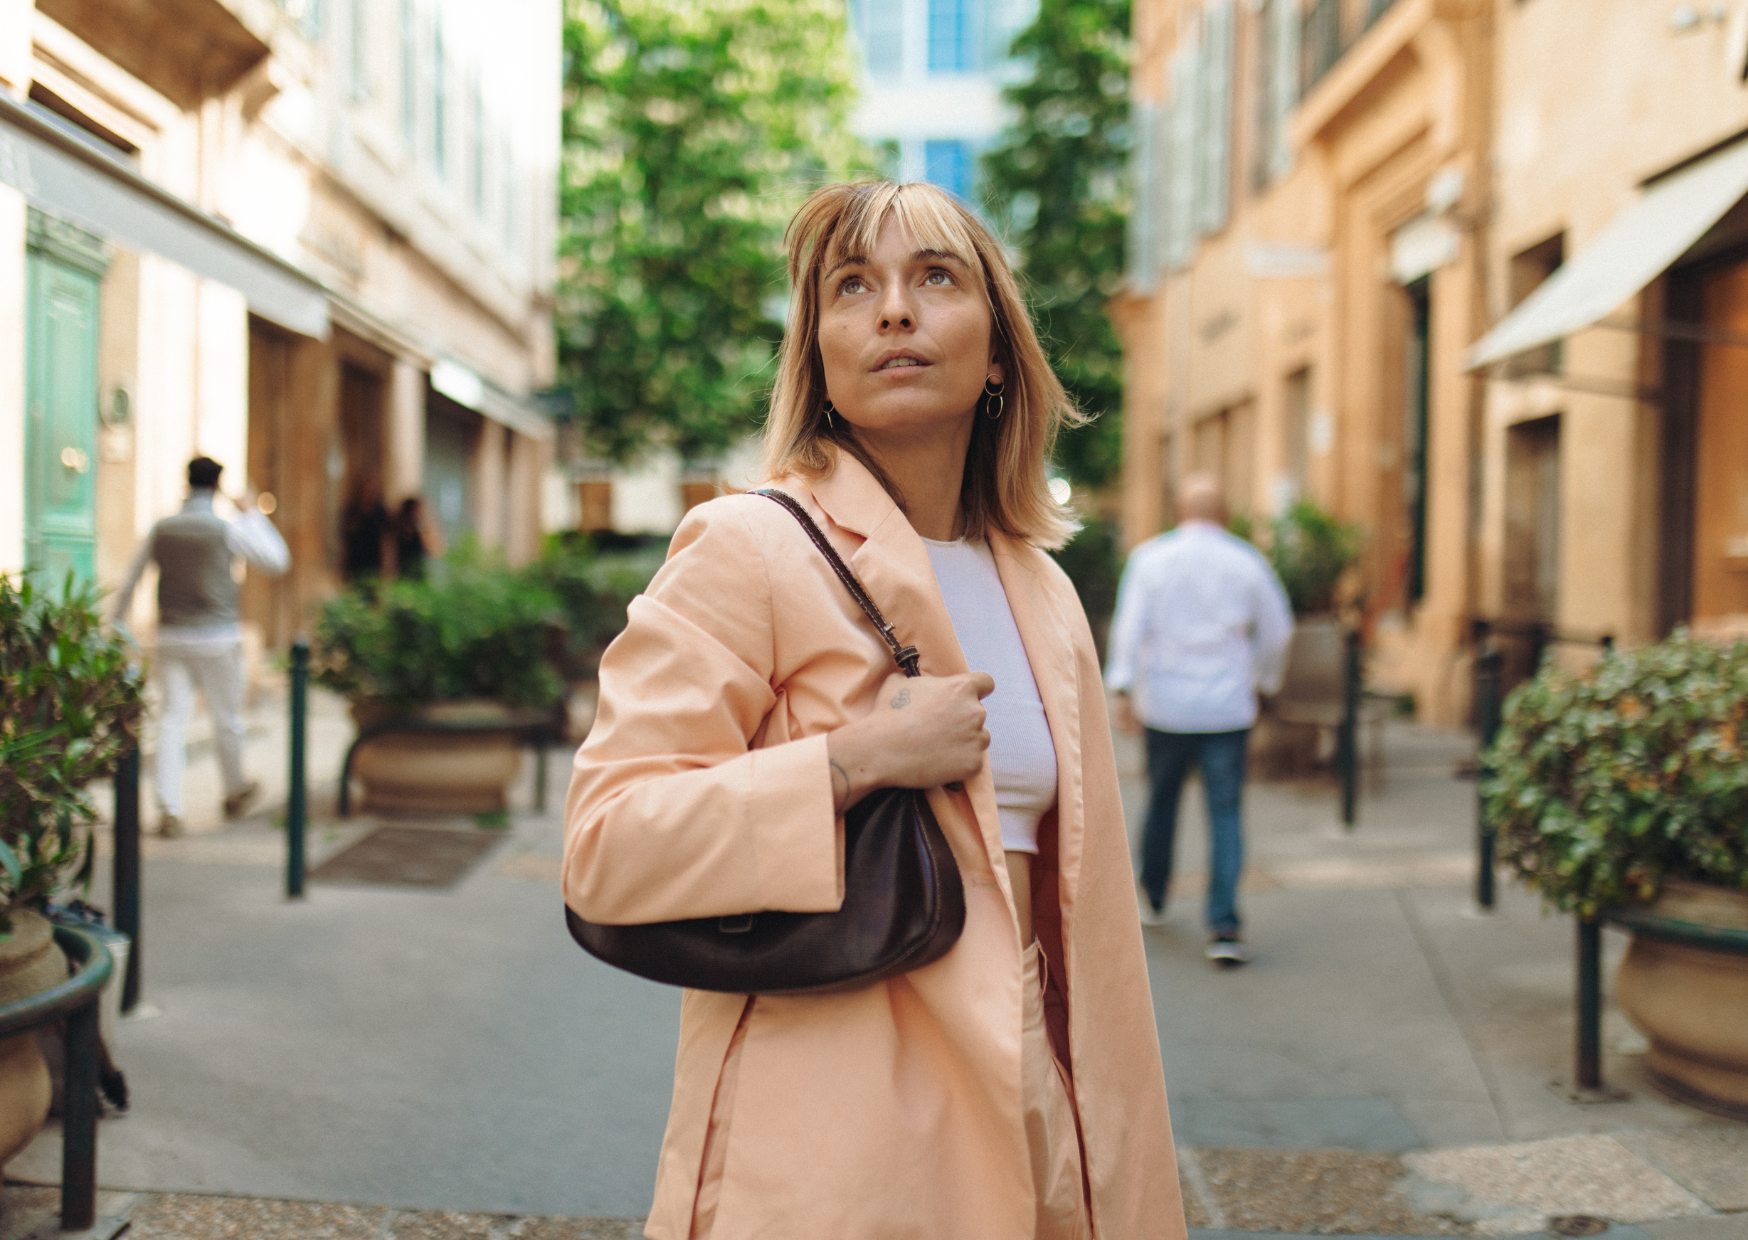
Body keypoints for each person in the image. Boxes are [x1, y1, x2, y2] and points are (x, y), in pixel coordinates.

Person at [564, 182, 1183, 1240]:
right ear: (820, 355)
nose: (892, 310)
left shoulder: (1039, 588)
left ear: (997, 351)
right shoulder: (745, 548)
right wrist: (853, 761)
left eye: (933, 278)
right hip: (834, 1156)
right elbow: (606, 846)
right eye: (852, 288)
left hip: (1035, 1115)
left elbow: (1084, 915)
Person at [1106, 473, 1293, 968]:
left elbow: (1130, 628)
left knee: (1162, 802)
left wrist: (1123, 688)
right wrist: (1262, 680)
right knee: (1226, 812)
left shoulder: (1150, 559)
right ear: (1224, 514)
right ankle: (1225, 925)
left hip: (1166, 705)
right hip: (1227, 707)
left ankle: (1156, 895)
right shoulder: (1247, 560)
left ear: (1179, 512)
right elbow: (1277, 630)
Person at [112, 456, 291, 838]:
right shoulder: (227, 528)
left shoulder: (162, 528)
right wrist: (252, 514)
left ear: (186, 482)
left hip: (172, 636)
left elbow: (130, 581)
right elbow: (277, 561)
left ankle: (169, 808)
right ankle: (234, 789)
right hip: (218, 637)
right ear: (218, 486)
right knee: (227, 717)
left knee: (172, 720)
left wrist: (114, 628)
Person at [387, 495, 441, 581]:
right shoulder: (396, 531)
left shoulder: (420, 531)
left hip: (418, 574)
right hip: (402, 574)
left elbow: (433, 550)